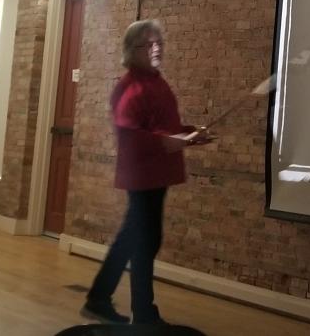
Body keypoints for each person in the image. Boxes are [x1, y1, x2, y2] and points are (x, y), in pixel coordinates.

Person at [81, 20, 213, 325]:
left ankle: (100, 299)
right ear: (132, 50)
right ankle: (142, 313)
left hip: (158, 173)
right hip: (142, 175)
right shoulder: (128, 88)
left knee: (135, 239)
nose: (156, 50)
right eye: (148, 45)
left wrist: (191, 133)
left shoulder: (157, 81)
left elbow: (162, 126)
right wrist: (175, 140)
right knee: (144, 241)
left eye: (159, 44)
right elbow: (134, 137)